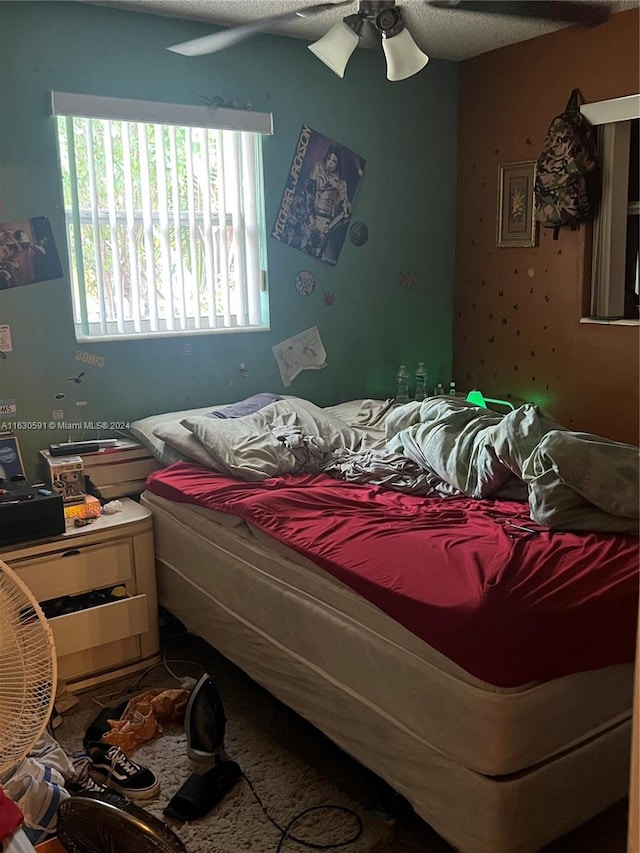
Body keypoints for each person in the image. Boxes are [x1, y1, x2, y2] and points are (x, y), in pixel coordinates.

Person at [301, 145, 352, 259]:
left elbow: (345, 211)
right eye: (329, 159)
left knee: (317, 254)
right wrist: (311, 218)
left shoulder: (341, 184)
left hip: (326, 222)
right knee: (303, 248)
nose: (330, 163)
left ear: (338, 164)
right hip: (312, 216)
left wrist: (329, 228)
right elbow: (309, 192)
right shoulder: (318, 168)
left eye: (333, 161)